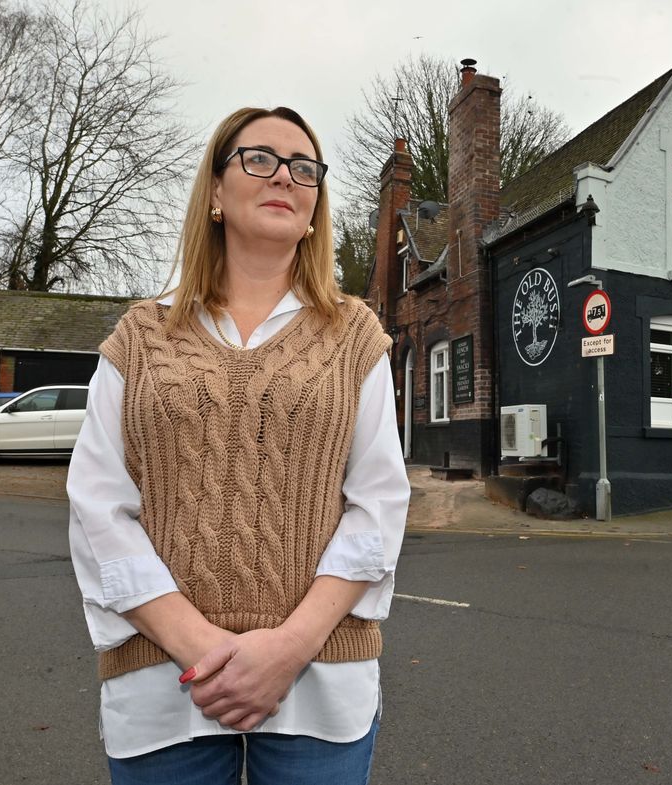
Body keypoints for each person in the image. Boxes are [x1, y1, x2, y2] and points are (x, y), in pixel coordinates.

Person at [67, 106, 410, 784]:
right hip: (163, 679)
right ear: (216, 193)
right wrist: (200, 646)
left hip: (318, 679)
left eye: (305, 167)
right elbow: (97, 504)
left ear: (315, 207)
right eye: (261, 158)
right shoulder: (142, 336)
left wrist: (288, 647)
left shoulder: (355, 337)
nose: (286, 175)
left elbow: (377, 505)